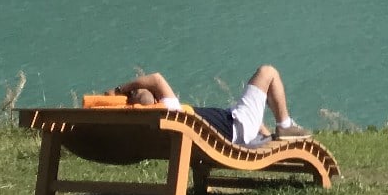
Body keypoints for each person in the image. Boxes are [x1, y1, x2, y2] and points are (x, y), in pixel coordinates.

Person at [109, 65, 311, 147]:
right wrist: (119, 89)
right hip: (236, 127)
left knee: (247, 114)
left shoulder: (155, 121)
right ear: (154, 100)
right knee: (268, 72)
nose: (136, 89)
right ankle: (285, 125)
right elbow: (156, 79)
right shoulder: (169, 109)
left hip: (233, 127)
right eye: (138, 91)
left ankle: (266, 138)